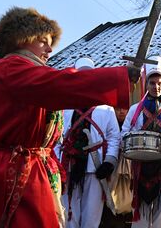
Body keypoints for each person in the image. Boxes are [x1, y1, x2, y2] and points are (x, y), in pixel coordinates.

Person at [0, 7, 139, 228]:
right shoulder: (10, 67)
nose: (49, 49)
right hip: (10, 171)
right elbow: (60, 84)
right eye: (43, 41)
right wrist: (117, 78)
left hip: (31, 168)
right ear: (23, 38)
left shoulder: (24, 72)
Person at [120, 56, 161, 228]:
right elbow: (124, 133)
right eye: (152, 83)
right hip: (140, 162)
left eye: (159, 83)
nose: (156, 87)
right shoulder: (135, 109)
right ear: (146, 85)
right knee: (140, 209)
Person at [59, 57, 121, 228]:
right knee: (68, 216)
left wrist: (109, 162)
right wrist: (58, 166)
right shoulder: (64, 106)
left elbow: (114, 137)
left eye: (88, 75)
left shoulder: (105, 108)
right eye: (81, 75)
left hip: (95, 168)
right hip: (69, 168)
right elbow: (57, 138)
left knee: (91, 219)